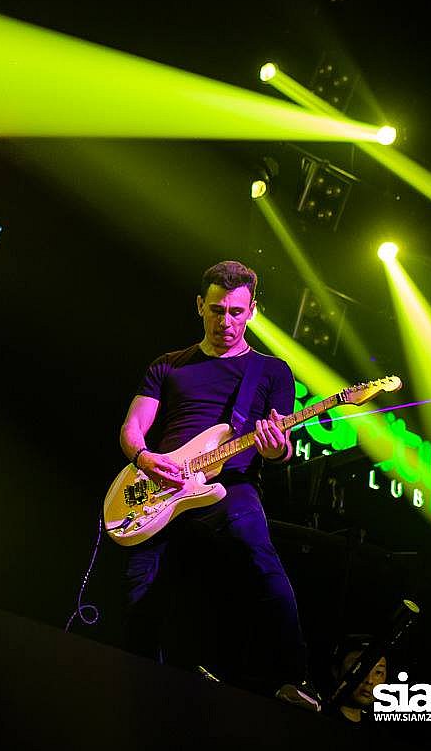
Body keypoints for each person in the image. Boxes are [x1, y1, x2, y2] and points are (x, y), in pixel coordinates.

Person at [118, 260, 317, 709]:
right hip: (162, 487)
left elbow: (280, 447)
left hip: (230, 484)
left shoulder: (271, 372)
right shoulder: (168, 365)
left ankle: (293, 677)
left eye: (235, 312)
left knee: (259, 556)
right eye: (216, 310)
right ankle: (134, 685)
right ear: (199, 306)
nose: (225, 321)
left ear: (252, 311)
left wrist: (275, 449)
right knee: (140, 589)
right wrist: (145, 458)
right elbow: (132, 428)